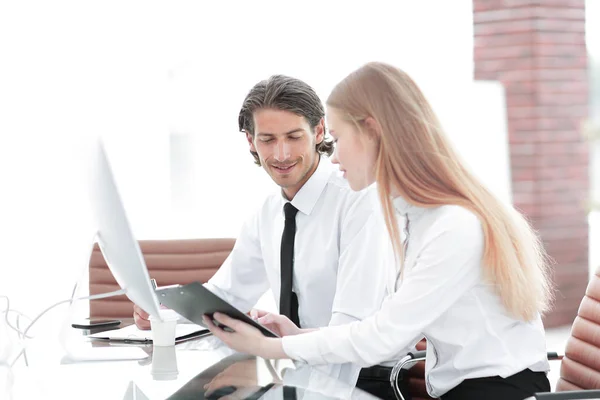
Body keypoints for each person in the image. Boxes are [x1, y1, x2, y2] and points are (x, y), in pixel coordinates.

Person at [203, 62, 554, 400]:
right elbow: (394, 331)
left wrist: (271, 347)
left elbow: (383, 338)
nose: (334, 156)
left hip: (498, 392)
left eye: (338, 138)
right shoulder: (415, 219)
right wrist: (299, 336)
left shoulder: (453, 226)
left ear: (371, 132)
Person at [133, 75, 401, 397]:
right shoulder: (268, 213)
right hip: (296, 371)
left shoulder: (359, 202)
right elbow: (224, 296)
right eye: (268, 140)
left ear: (319, 132)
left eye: (293, 136)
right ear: (250, 141)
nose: (282, 154)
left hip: (364, 379)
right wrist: (162, 311)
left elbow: (350, 333)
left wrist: (271, 362)